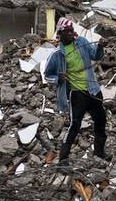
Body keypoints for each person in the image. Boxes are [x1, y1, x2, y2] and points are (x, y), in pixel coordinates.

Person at [44, 18, 109, 170]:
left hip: (93, 89)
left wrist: (100, 46)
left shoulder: (81, 42)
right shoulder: (57, 54)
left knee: (101, 121)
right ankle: (63, 159)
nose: (71, 33)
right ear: (60, 34)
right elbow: (47, 75)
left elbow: (96, 56)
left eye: (72, 30)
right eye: (67, 31)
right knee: (75, 124)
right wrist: (58, 78)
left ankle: (100, 153)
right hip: (77, 94)